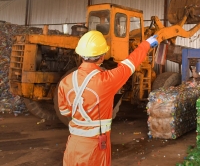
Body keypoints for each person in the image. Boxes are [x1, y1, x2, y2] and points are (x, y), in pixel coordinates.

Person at [57, 30, 158, 166]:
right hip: (94, 148)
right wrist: (146, 44)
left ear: (80, 55)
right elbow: (130, 63)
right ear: (102, 56)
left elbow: (65, 112)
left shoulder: (65, 81)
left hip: (72, 146)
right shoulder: (106, 80)